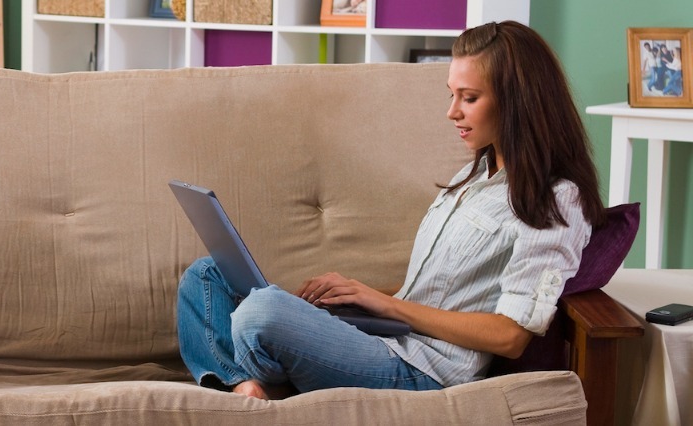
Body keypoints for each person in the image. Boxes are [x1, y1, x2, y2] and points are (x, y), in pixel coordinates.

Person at [176, 21, 606, 399]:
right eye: (452, 94)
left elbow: (511, 335)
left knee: (261, 311)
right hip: (385, 338)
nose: (451, 111)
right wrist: (361, 296)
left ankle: (250, 381)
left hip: (423, 370)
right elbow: (437, 287)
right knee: (204, 275)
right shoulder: (475, 176)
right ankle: (247, 384)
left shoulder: (555, 199)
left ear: (519, 102)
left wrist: (386, 306)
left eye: (469, 97)